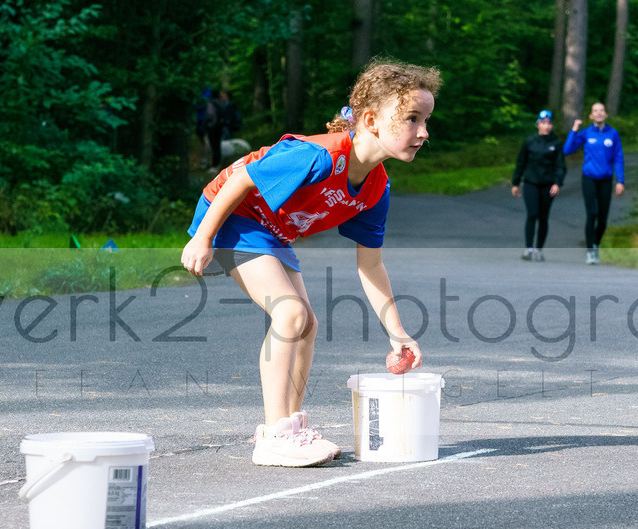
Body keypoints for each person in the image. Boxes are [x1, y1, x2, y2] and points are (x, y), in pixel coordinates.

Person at [180, 60, 442, 468]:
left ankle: (292, 425)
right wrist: (203, 237)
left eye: (425, 120)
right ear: (370, 120)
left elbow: (371, 266)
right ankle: (274, 435)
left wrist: (398, 333)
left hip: (272, 231)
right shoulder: (318, 155)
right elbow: (242, 179)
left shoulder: (376, 189)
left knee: (307, 325)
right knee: (290, 313)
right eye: (412, 119)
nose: (423, 132)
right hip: (234, 215)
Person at [562, 102, 625, 265]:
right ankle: (590, 250)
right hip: (589, 178)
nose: (598, 113)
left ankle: (596, 244)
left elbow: (618, 157)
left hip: (606, 179)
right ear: (591, 116)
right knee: (592, 213)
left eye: (601, 110)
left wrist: (620, 180)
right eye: (595, 111)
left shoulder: (613, 134)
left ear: (606, 114)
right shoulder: (586, 133)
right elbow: (567, 150)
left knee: (603, 218)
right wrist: (574, 129)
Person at [511, 110, 566, 262]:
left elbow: (560, 166)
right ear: (538, 125)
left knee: (543, 217)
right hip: (531, 183)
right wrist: (516, 182)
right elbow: (521, 162)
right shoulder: (529, 141)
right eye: (543, 123)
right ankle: (528, 248)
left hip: (548, 184)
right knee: (532, 213)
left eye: (549, 123)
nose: (546, 126)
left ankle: (539, 249)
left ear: (552, 126)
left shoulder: (555, 144)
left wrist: (557, 183)